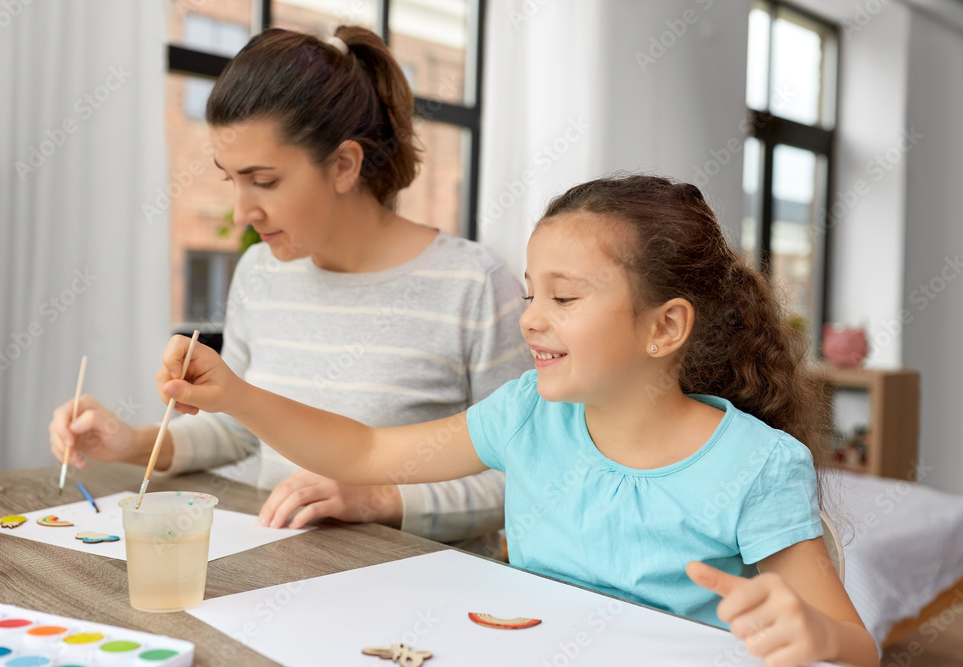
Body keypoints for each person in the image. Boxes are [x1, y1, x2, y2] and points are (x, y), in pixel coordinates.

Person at [154, 174, 880, 667]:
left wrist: (811, 631)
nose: (531, 318)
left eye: (563, 298)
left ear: (665, 328)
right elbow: (368, 449)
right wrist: (238, 395)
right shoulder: (530, 414)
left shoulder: (755, 465)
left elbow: (856, 644)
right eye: (533, 294)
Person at [48, 26, 531, 551]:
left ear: (344, 165)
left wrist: (379, 499)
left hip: (413, 593)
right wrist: (133, 442)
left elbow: (524, 478)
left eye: (265, 181)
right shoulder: (260, 272)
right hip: (275, 567)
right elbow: (241, 433)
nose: (242, 211)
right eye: (231, 179)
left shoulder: (473, 285)